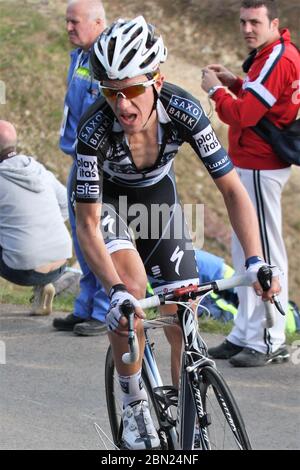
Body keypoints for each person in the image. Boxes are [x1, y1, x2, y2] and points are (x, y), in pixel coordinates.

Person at [74, 16, 280, 449]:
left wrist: (256, 259)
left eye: (131, 89)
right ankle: (134, 407)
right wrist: (113, 291)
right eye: (111, 92)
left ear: (157, 80)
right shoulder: (93, 129)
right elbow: (88, 223)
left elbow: (231, 188)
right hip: (109, 205)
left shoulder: (183, 109)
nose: (122, 104)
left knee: (182, 314)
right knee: (131, 292)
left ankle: (189, 430)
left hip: (157, 201)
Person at [201, 0, 299, 367]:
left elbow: (243, 113)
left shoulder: (279, 57)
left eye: (255, 22)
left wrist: (215, 90)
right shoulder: (269, 54)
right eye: (242, 22)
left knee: (266, 252)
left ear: (274, 22)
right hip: (250, 162)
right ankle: (245, 332)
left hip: (262, 165)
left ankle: (270, 338)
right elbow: (260, 97)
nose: (247, 29)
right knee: (245, 249)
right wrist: (235, 82)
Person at [53, 0, 109, 335]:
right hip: (79, 159)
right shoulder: (81, 56)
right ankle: (85, 305)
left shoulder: (108, 58)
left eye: (75, 22)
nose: (69, 28)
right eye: (67, 21)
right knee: (81, 235)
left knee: (99, 235)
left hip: (99, 166)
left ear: (98, 21)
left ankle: (104, 310)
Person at [0, 121, 72, 315]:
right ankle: (43, 287)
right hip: (61, 262)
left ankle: (39, 281)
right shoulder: (38, 170)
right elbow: (67, 203)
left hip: (22, 270)